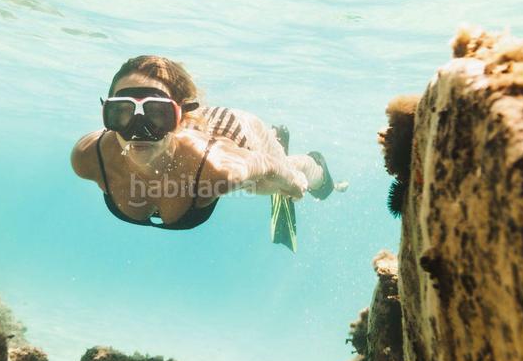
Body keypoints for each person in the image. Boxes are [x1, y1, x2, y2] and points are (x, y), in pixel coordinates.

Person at [71, 55, 347, 232]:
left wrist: (294, 182)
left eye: (157, 114)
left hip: (234, 132)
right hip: (194, 132)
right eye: (122, 112)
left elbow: (270, 166)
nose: (138, 130)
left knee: (266, 186)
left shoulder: (220, 168)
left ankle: (316, 169)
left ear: (179, 116)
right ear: (108, 113)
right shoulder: (88, 157)